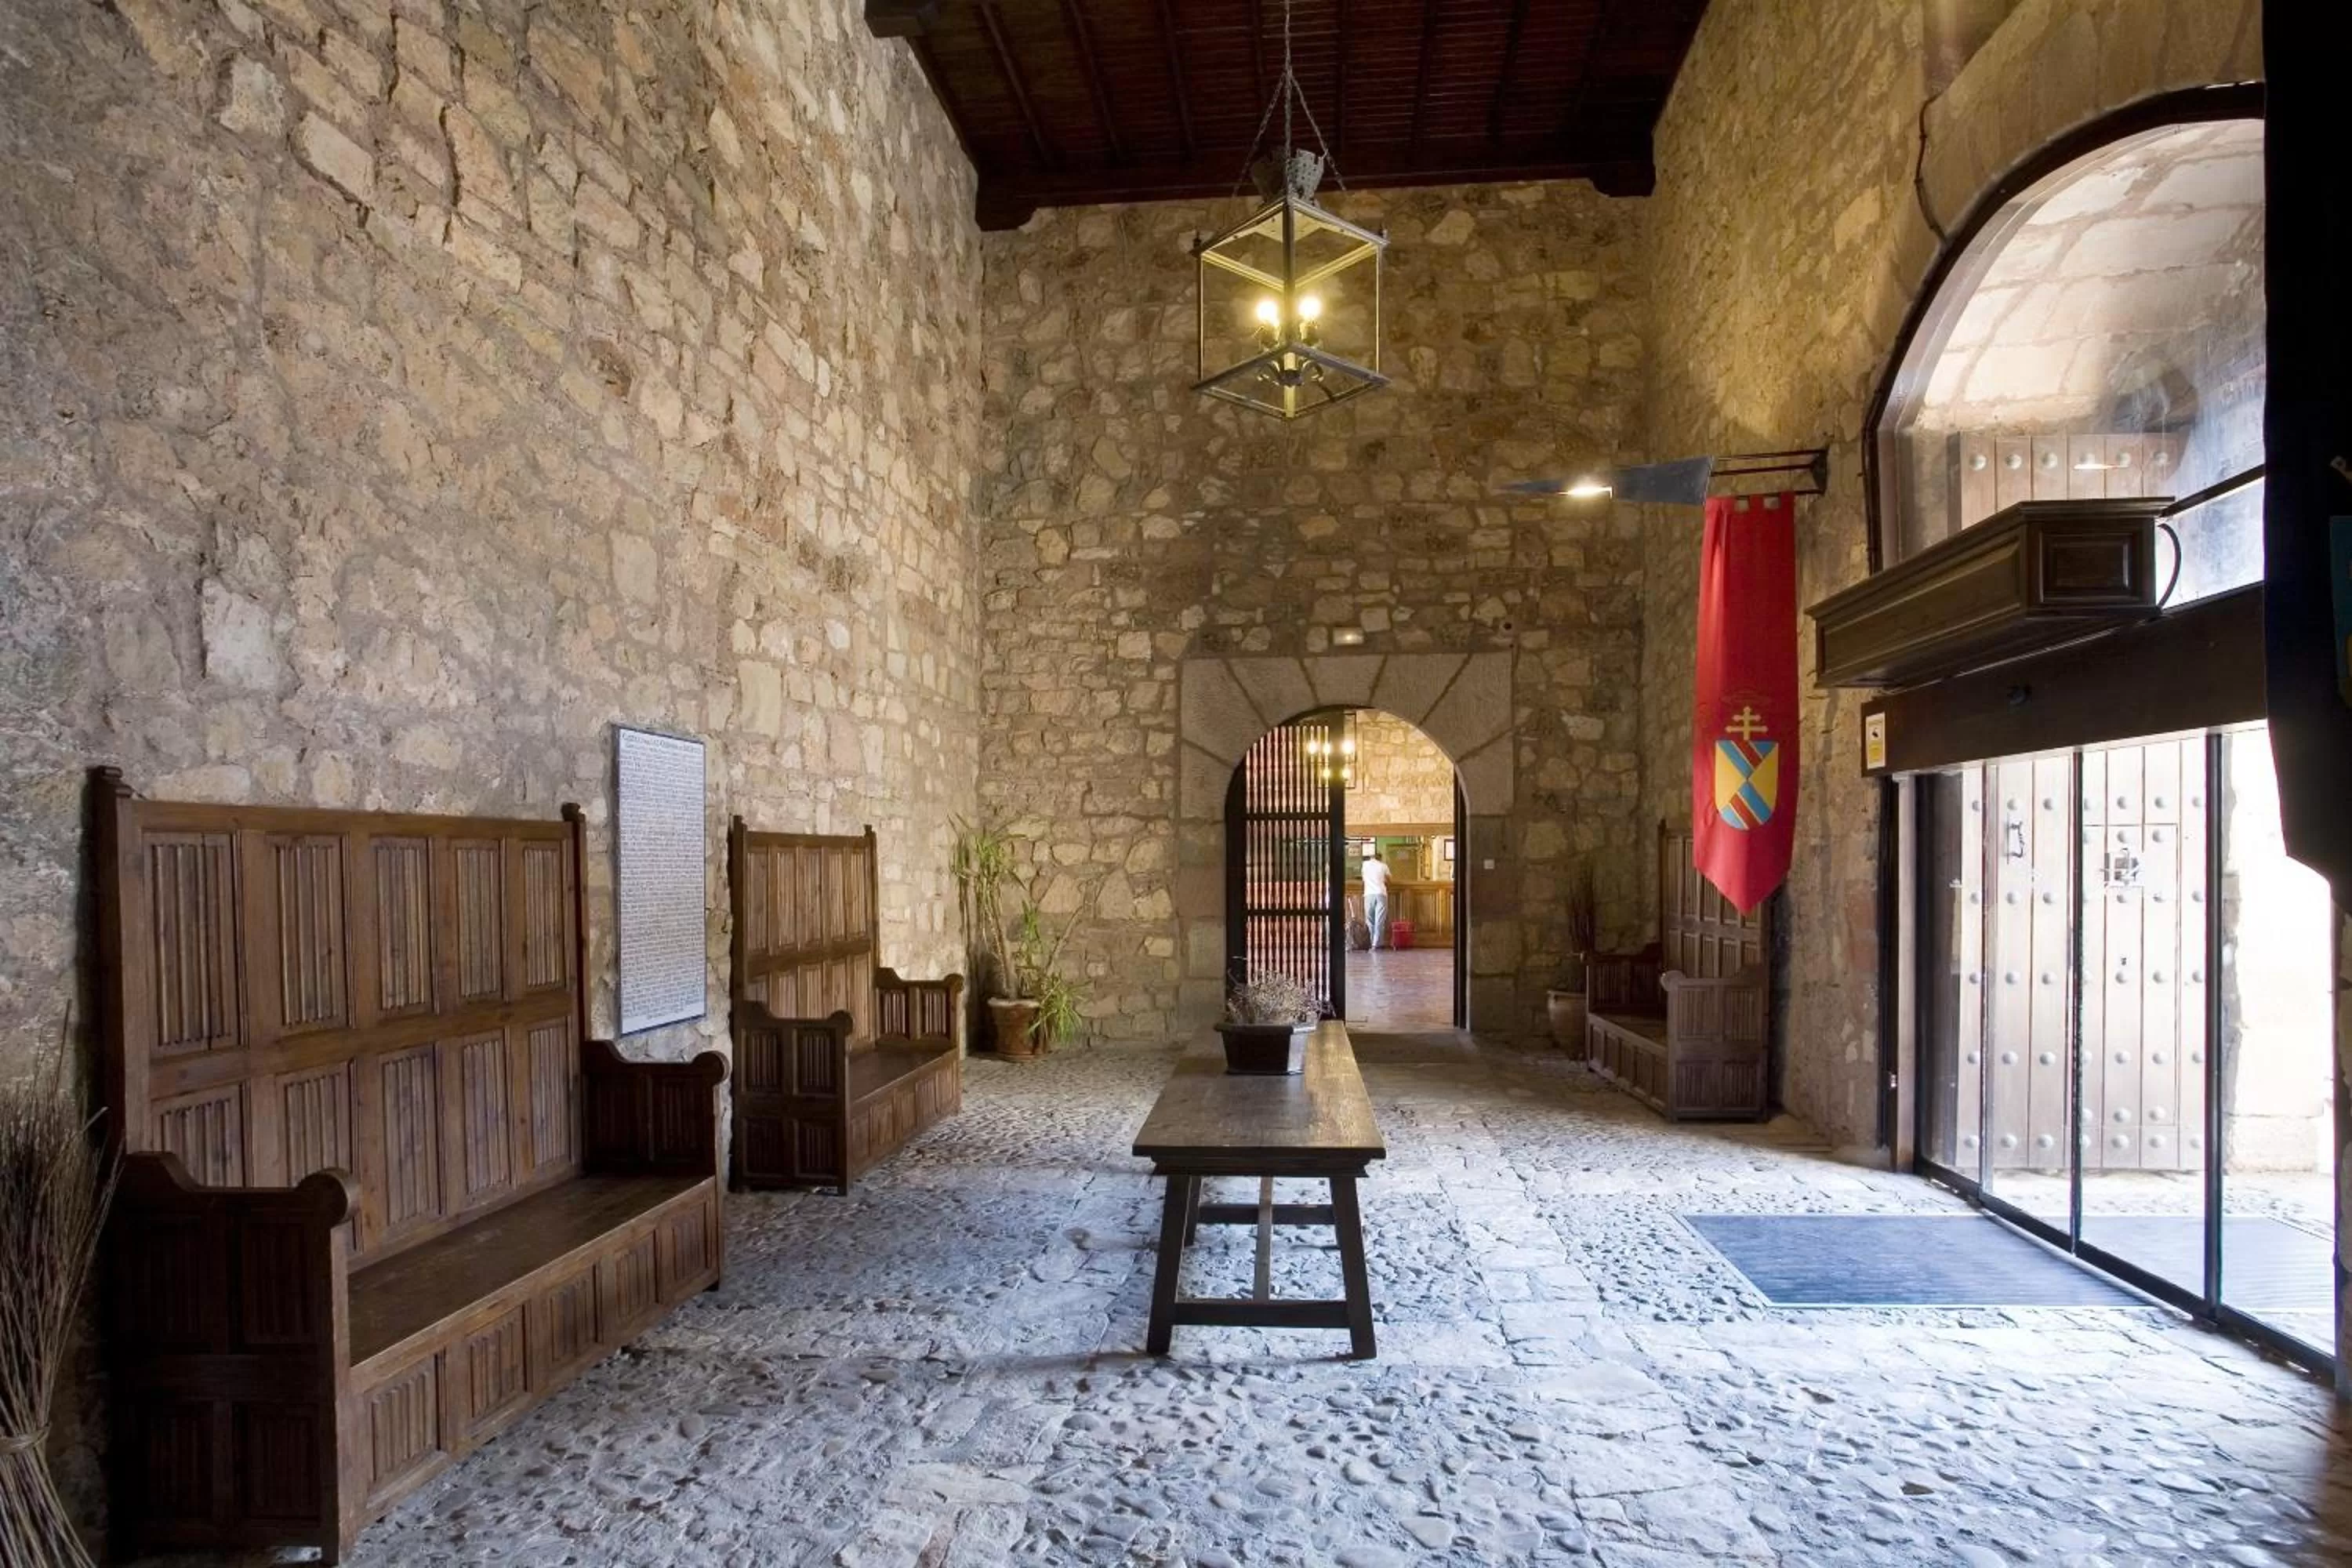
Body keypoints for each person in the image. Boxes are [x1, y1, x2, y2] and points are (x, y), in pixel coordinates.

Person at [1359, 848, 1391, 951]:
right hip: (1381, 894)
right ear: (1380, 857)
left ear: (1371, 857)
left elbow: (1363, 879)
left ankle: (1373, 942)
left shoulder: (1365, 865)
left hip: (1368, 894)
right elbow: (1389, 880)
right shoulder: (1383, 866)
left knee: (1370, 920)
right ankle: (1376, 944)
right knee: (1380, 920)